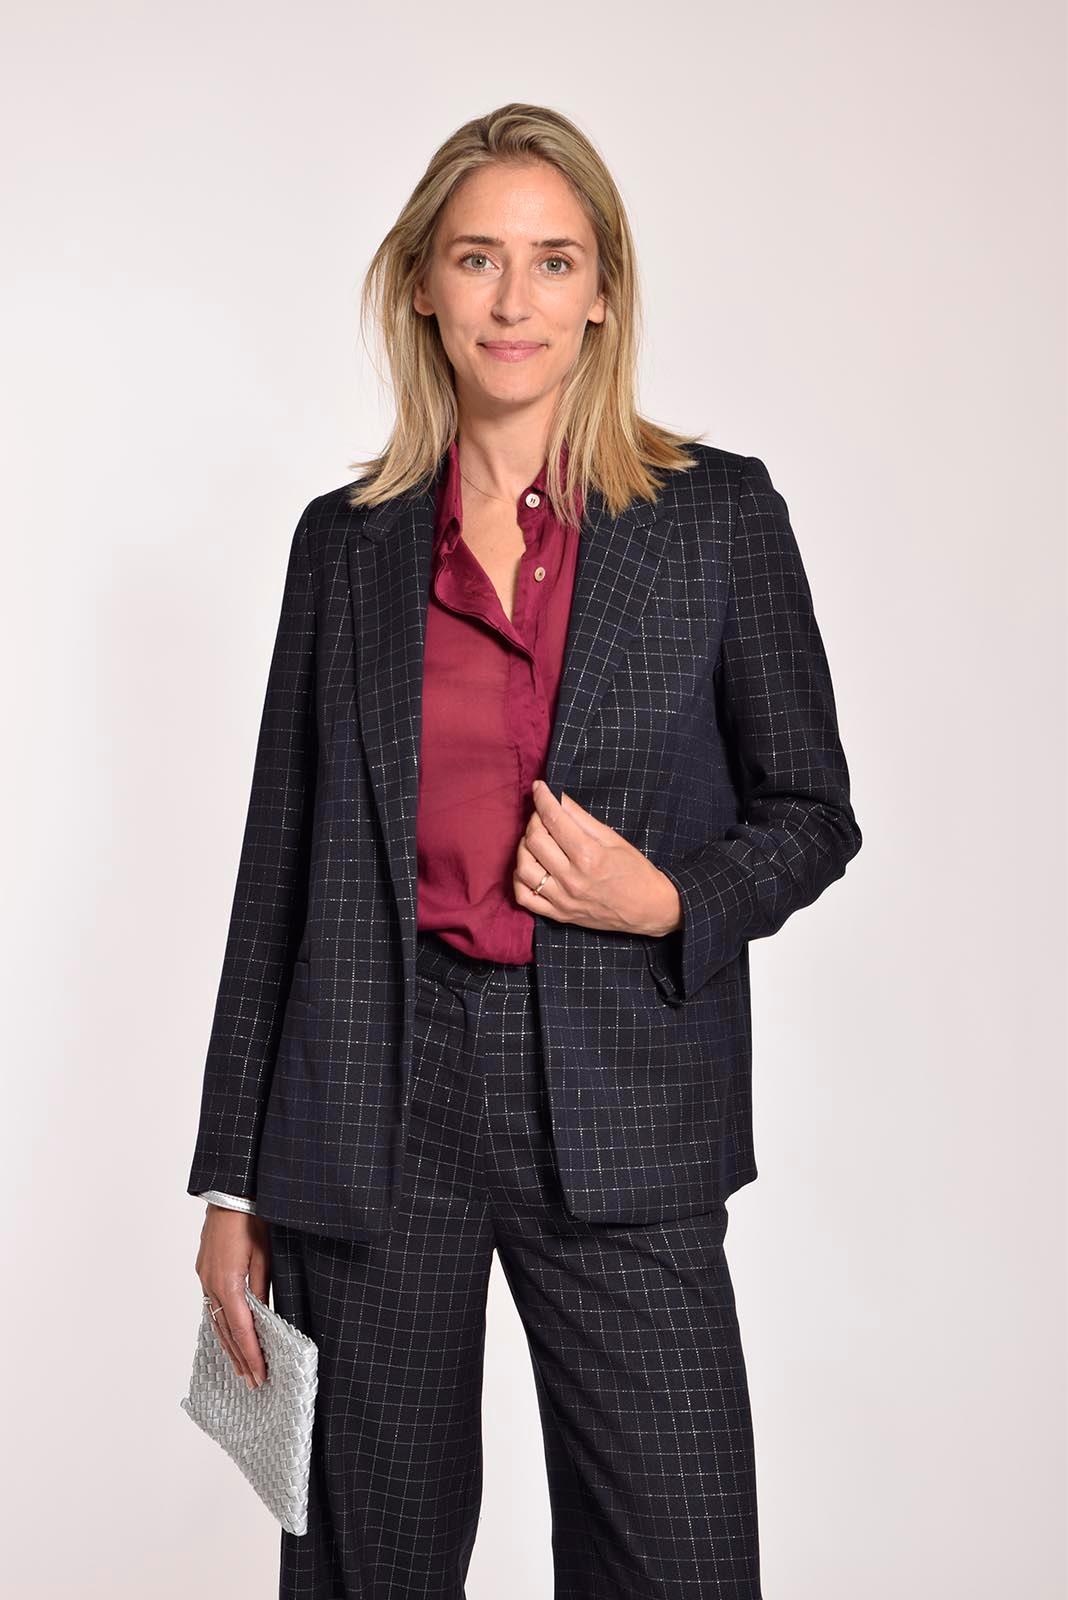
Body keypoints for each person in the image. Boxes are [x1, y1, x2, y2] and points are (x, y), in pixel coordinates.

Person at [188, 101, 862, 1600]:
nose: (514, 299)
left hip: (626, 1093)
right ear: (421, 283)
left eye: (554, 261)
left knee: (680, 1560)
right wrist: (235, 1183)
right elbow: (279, 872)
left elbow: (814, 811)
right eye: (477, 257)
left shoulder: (714, 518)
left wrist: (668, 895)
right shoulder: (345, 544)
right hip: (377, 1100)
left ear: (603, 289)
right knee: (370, 1566)